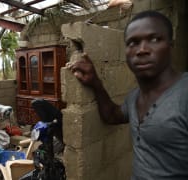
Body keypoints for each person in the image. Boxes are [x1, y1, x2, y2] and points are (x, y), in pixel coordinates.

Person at [68, 10, 188, 179]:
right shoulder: (135, 97)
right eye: (133, 43)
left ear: (170, 45)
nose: (142, 50)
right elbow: (112, 116)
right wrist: (95, 82)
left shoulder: (183, 94)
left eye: (154, 39)